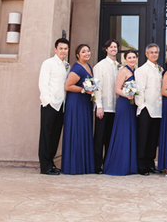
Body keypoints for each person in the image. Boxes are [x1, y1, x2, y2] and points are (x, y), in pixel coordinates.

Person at [103, 49, 138, 175]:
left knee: (131, 132)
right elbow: (117, 89)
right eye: (129, 57)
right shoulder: (123, 71)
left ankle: (130, 165)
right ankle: (119, 165)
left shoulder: (135, 71)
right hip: (124, 104)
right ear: (125, 59)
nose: (132, 59)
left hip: (132, 105)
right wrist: (127, 94)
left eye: (134, 57)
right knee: (123, 133)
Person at [61, 44, 95, 174]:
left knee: (84, 131)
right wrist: (84, 89)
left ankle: (84, 164)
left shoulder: (88, 67)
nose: (87, 53)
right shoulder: (77, 68)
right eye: (83, 51)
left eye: (88, 50)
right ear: (78, 55)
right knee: (76, 131)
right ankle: (74, 165)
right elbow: (68, 86)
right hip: (76, 104)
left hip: (85, 103)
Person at [37, 37, 70, 175]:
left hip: (61, 105)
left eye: (65, 49)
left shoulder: (67, 65)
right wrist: (47, 102)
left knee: (55, 136)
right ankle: (45, 166)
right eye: (61, 48)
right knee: (46, 136)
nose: (63, 51)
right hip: (50, 105)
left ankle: (51, 163)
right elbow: (43, 83)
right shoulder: (48, 63)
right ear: (55, 49)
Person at [135, 43, 163, 175]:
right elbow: (139, 90)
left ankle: (151, 163)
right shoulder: (142, 70)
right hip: (146, 108)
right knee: (143, 138)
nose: (154, 54)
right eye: (151, 52)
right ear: (146, 54)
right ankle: (141, 166)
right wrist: (142, 106)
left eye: (156, 52)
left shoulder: (160, 69)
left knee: (153, 138)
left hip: (158, 109)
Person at [92, 40, 120, 173]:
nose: (114, 49)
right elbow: (97, 87)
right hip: (103, 107)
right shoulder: (100, 66)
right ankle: (97, 165)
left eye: (115, 47)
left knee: (110, 137)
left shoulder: (118, 66)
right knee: (99, 138)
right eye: (111, 47)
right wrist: (99, 106)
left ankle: (107, 165)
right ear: (106, 49)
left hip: (114, 108)